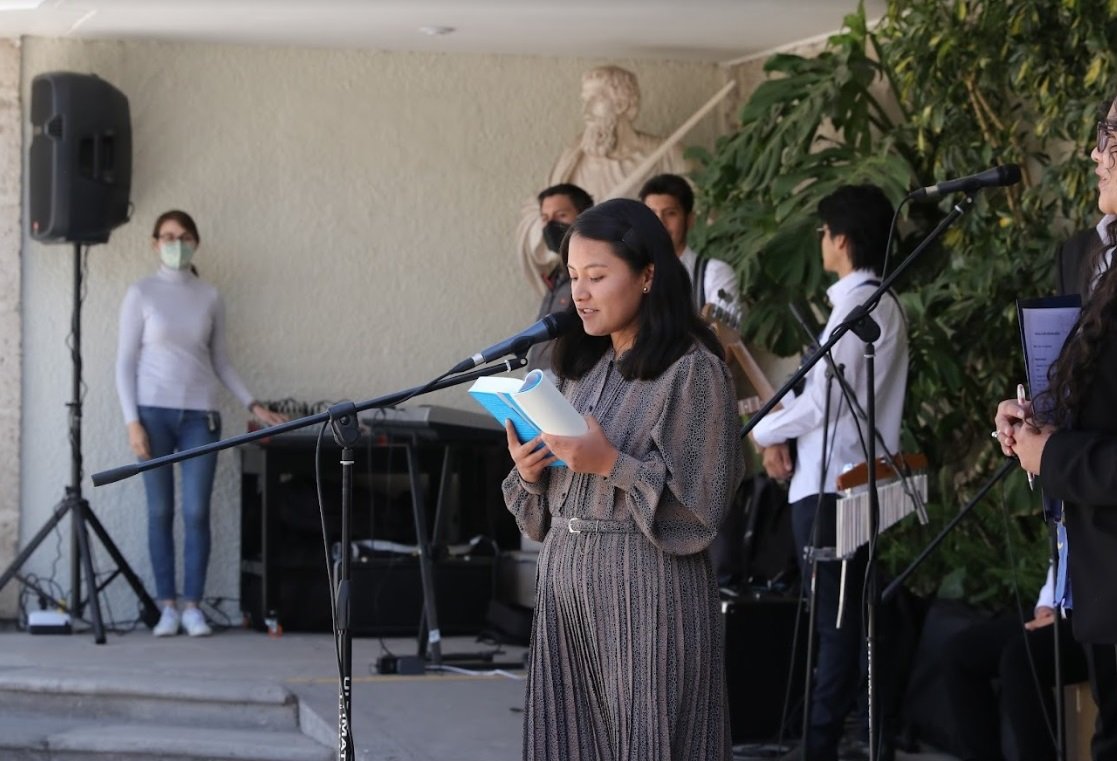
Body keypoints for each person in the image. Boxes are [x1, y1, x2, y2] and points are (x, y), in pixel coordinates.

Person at [502, 198, 744, 760]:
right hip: (567, 589)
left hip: (648, 596)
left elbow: (703, 508)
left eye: (597, 276)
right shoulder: (578, 368)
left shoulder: (692, 370)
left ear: (647, 275)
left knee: (647, 740)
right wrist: (530, 472)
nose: (578, 293)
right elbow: (538, 513)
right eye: (572, 278)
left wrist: (611, 464)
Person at [752, 184, 909, 761]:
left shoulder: (860, 305)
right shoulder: (871, 301)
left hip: (835, 488)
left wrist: (762, 429)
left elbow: (824, 404)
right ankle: (863, 739)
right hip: (844, 482)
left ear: (841, 239)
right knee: (848, 623)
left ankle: (821, 746)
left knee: (838, 628)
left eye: (823, 231)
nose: (821, 241)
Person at [995, 95, 1117, 760]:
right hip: (1096, 567)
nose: (1096, 153)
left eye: (1110, 135)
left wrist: (1055, 456)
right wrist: (1033, 418)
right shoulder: (1083, 252)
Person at [115, 210, 287, 638]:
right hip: (152, 414)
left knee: (195, 512)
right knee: (159, 511)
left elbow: (221, 361)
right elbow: (124, 362)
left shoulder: (209, 295)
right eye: (168, 237)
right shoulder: (141, 293)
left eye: (184, 236)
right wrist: (131, 421)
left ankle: (193, 606)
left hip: (200, 415)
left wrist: (254, 403)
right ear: (155, 243)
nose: (176, 243)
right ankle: (166, 605)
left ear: (196, 243)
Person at [515, 65, 689, 294]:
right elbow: (535, 213)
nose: (586, 111)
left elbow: (698, 213)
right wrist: (558, 232)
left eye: (595, 100)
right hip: (586, 290)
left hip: (648, 287)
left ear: (622, 104)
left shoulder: (667, 154)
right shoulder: (575, 158)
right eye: (584, 100)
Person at [940, 565, 1089, 761]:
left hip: (1098, 619)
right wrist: (1046, 606)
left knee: (1020, 660)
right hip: (1061, 610)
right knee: (961, 654)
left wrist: (1062, 614)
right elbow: (1063, 554)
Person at [640, 172, 740, 315]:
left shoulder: (714, 274)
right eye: (651, 214)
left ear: (690, 219)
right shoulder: (632, 275)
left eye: (670, 213)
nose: (659, 222)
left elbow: (724, 331)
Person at [525, 183, 594, 374]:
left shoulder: (593, 273)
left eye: (561, 215)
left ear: (584, 215)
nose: (550, 225)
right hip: (539, 381)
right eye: (545, 218)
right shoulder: (556, 274)